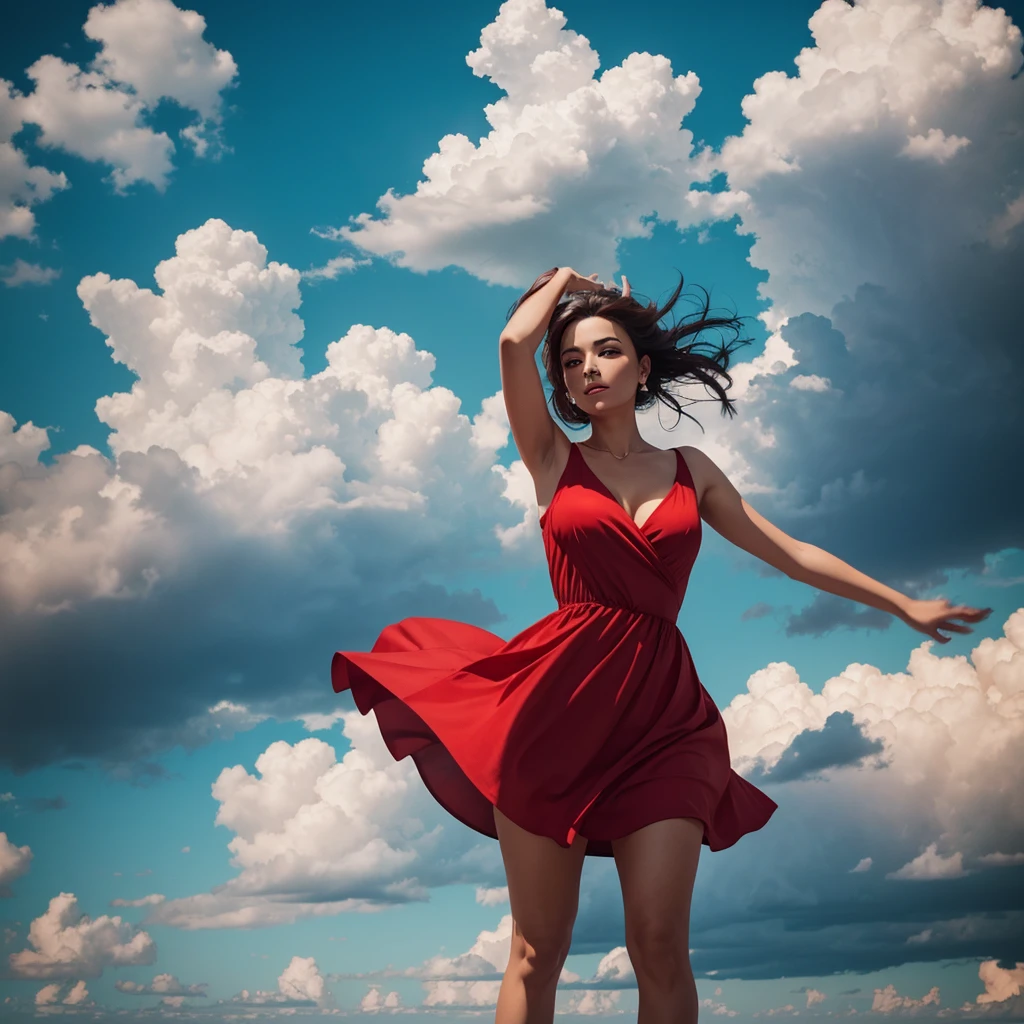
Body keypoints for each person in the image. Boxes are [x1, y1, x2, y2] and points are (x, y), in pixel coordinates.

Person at [332, 266, 992, 1024]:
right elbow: (515, 340)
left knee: (660, 946)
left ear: (643, 368)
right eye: (572, 361)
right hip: (555, 712)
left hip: (664, 722)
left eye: (606, 351)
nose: (587, 370)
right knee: (537, 949)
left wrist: (901, 603)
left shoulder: (691, 470)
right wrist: (565, 282)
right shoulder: (552, 459)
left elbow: (788, 551)